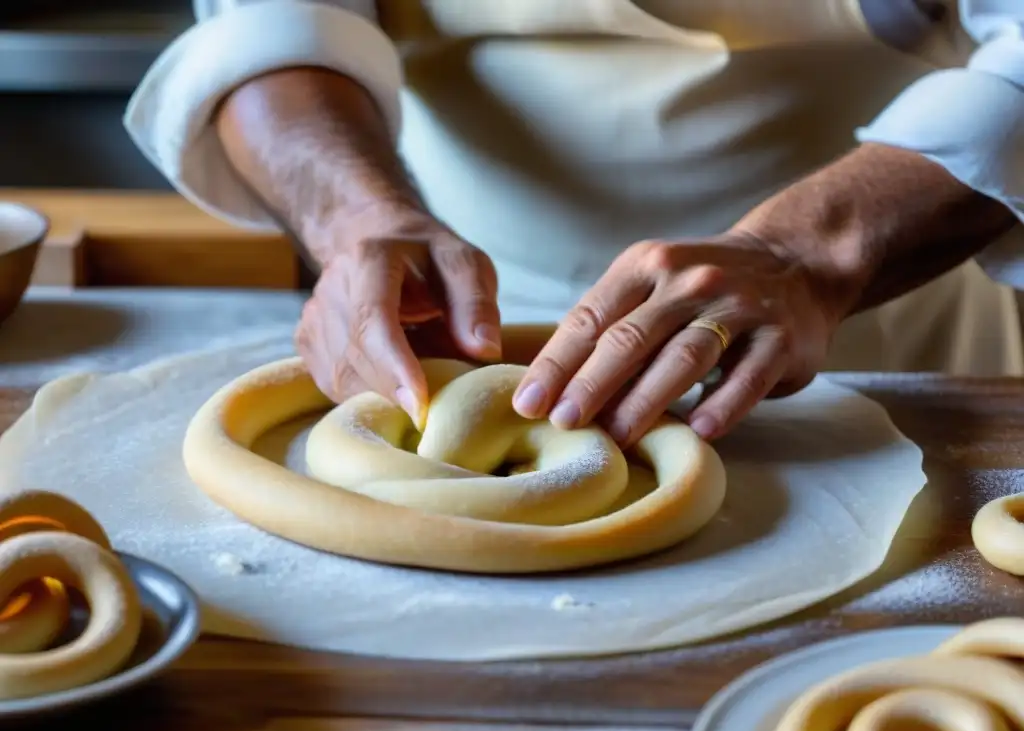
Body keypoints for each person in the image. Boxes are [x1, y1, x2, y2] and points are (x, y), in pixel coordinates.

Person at [125, 0, 1023, 444]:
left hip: (884, 342)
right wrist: (357, 218)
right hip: (461, 340)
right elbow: (268, 26)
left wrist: (802, 254)